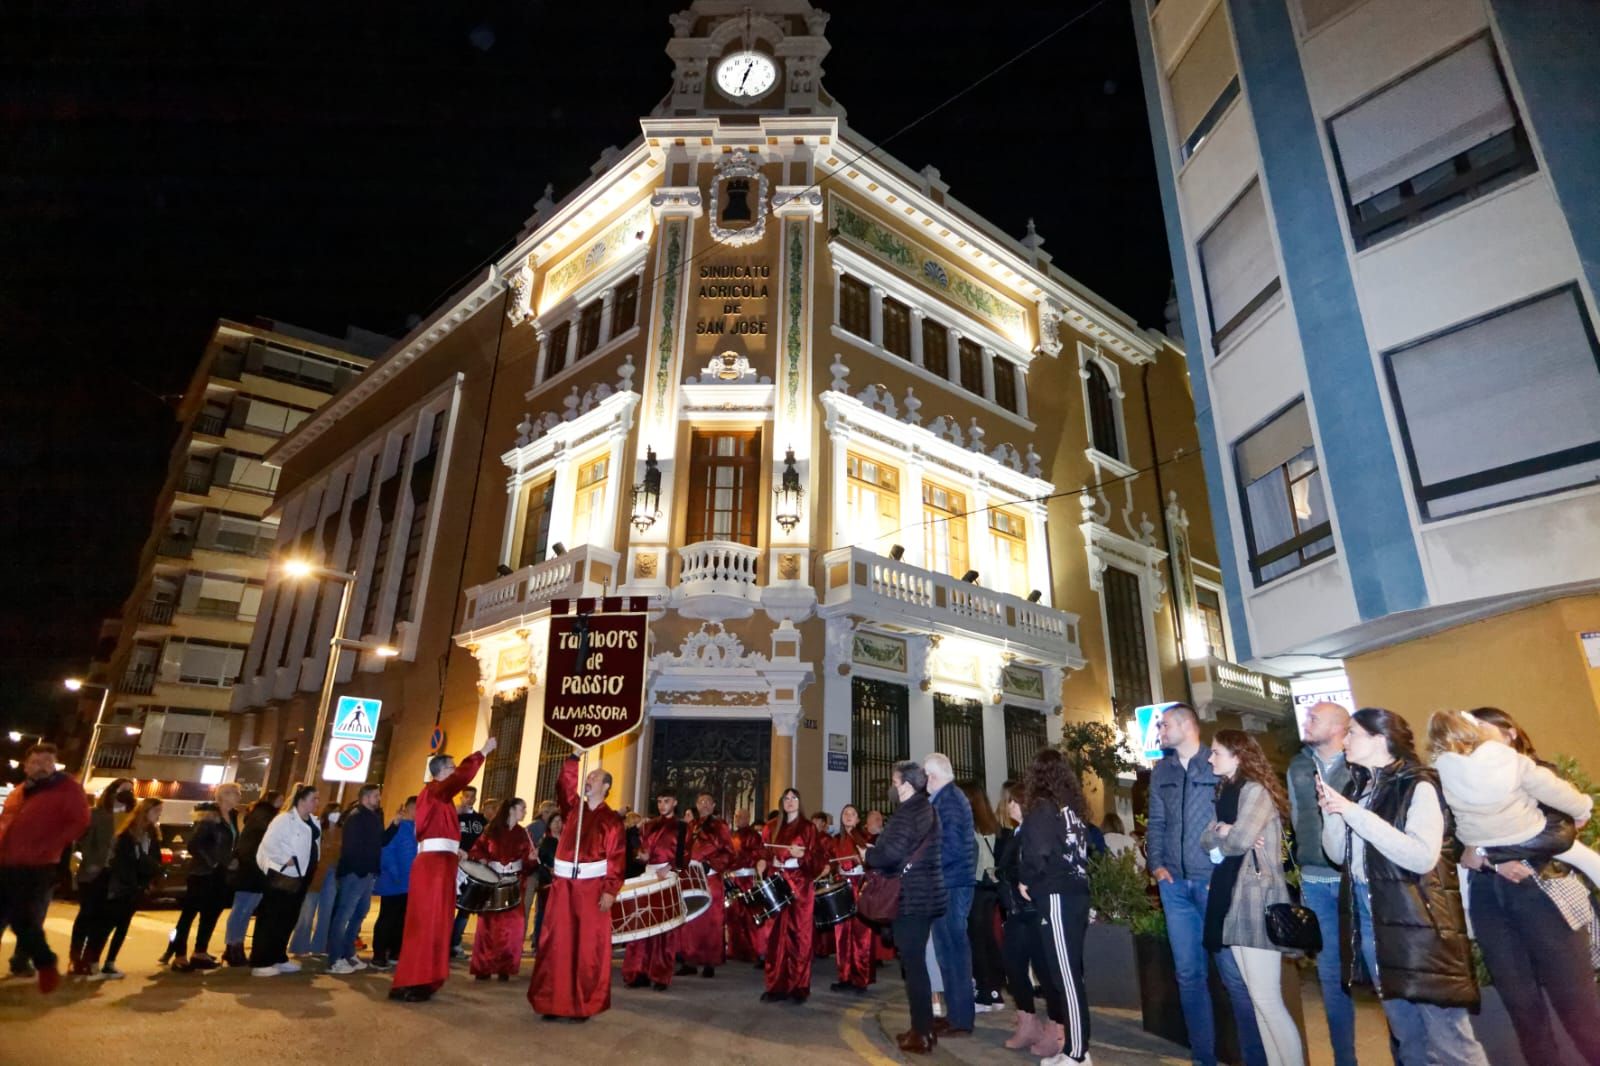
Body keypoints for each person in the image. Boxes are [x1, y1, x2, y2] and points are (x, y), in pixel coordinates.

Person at [1318, 707, 1487, 1065]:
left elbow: (1421, 856)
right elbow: (1337, 855)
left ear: (1380, 739)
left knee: (1449, 1039)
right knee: (1406, 1035)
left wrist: (1352, 813)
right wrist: (1332, 813)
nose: (1344, 740)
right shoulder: (1358, 786)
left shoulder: (1418, 784)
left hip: (1417, 918)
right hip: (1372, 914)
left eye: (1353, 733)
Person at [1455, 706, 1600, 1064]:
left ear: (1510, 735)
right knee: (1524, 1012)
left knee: (1578, 1009)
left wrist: (1491, 852)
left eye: (1484, 731)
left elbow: (1560, 833)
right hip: (1489, 900)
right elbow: (1451, 842)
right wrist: (1485, 857)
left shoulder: (1540, 773)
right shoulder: (1460, 783)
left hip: (1544, 897)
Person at [1146, 703, 1266, 1066]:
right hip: (1175, 887)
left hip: (1215, 885)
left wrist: (1226, 872)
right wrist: (1156, 865)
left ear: (1185, 725)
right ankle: (1204, 1058)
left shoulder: (1216, 763)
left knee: (1235, 978)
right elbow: (1156, 821)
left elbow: (1237, 817)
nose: (1160, 732)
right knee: (1188, 975)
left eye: (1164, 725)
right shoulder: (1161, 772)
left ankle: (1256, 1059)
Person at [1200, 731, 1304, 1066]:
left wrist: (1228, 833)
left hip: (1256, 897)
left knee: (1267, 999)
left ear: (1238, 755)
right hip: (1233, 897)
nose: (1209, 758)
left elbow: (1240, 840)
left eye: (1216, 752)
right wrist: (1225, 832)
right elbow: (1206, 840)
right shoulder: (1226, 790)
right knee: (1259, 1001)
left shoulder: (1255, 791)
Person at [1429, 708, 1600, 883]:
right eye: (1478, 725)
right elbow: (1555, 791)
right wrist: (1582, 809)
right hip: (1525, 834)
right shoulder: (1513, 761)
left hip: (1479, 840)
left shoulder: (1441, 775)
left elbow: (1449, 821)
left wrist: (1478, 850)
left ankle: (1485, 852)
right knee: (1574, 846)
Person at [390, 740, 492, 1002]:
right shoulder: (436, 790)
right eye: (451, 766)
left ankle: (427, 977)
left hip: (442, 861)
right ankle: (414, 979)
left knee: (438, 922)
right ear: (440, 772)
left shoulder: (440, 797)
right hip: (434, 865)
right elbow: (460, 778)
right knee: (427, 922)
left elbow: (439, 830)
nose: (455, 769)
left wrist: (454, 848)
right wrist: (481, 754)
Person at [528, 755, 626, 1022]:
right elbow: (564, 785)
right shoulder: (573, 810)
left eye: (595, 777)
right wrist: (573, 758)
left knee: (586, 946)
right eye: (588, 775)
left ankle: (582, 1003)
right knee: (556, 941)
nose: (589, 778)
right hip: (563, 886)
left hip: (592, 889)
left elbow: (617, 858)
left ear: (606, 786)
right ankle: (551, 1000)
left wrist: (610, 890)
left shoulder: (612, 821)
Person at [1284, 701, 1354, 1066]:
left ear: (1339, 727)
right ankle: (1345, 1060)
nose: (1306, 721)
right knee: (1330, 975)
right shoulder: (1298, 766)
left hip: (1354, 881)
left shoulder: (1359, 763)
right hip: (1314, 879)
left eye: (1315, 717)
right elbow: (1297, 815)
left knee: (1376, 971)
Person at [1019, 749, 1096, 1066]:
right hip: (1076, 893)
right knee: (1068, 973)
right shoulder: (1072, 810)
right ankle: (1075, 1049)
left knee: (1064, 976)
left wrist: (1025, 879)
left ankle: (1077, 1054)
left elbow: (1039, 852)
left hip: (1056, 894)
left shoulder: (1042, 808)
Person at [863, 760, 944, 1055]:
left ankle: (921, 1034)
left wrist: (871, 855)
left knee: (914, 968)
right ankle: (922, 1029)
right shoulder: (928, 810)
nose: (892, 788)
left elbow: (891, 854)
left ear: (908, 786)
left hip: (910, 898)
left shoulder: (907, 813)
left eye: (895, 783)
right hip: (925, 895)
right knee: (916, 965)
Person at [0, 742, 90, 993]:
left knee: (23, 919)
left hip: (36, 866)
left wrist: (49, 845)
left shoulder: (67, 789)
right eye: (36, 762)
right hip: (6, 862)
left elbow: (80, 822)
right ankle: (42, 961)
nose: (42, 767)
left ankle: (45, 963)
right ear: (26, 766)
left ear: (55, 765)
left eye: (48, 762)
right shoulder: (19, 791)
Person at [998, 779, 1067, 1056]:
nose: (1009, 807)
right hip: (1016, 911)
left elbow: (1036, 865)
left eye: (1012, 801)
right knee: (1014, 967)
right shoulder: (1016, 833)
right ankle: (1028, 1021)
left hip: (1034, 910)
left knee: (1045, 971)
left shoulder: (1033, 832)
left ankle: (1057, 1027)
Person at [754, 787, 826, 1003]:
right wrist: (764, 863)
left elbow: (817, 860)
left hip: (800, 887)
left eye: (794, 797)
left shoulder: (808, 828)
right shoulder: (771, 827)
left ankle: (799, 987)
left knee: (799, 938)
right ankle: (775, 985)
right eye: (786, 798)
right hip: (777, 884)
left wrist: (802, 856)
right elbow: (763, 852)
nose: (790, 801)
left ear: (800, 801)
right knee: (775, 936)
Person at [923, 753, 976, 1038]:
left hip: (952, 885)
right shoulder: (948, 799)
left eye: (925, 776)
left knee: (955, 951)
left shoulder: (950, 801)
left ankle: (962, 1019)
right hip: (948, 884)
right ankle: (955, 1015)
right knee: (946, 951)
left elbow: (952, 848)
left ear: (933, 776)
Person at [169, 783, 242, 971]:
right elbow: (194, 845)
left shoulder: (232, 817)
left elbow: (230, 845)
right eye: (235, 793)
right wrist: (214, 862)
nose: (239, 797)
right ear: (224, 796)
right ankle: (179, 954)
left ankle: (200, 951)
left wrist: (230, 862)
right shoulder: (209, 817)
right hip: (203, 873)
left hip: (221, 874)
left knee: (211, 913)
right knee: (189, 915)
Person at [251, 785, 321, 977]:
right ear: (302, 800)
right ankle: (261, 961)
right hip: (283, 876)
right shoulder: (284, 820)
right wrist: (285, 859)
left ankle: (278, 956)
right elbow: (268, 844)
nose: (317, 802)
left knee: (288, 918)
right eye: (314, 798)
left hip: (302, 876)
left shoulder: (313, 821)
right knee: (272, 917)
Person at [622, 789, 687, 990]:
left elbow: (685, 853)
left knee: (663, 929)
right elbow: (642, 851)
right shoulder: (648, 825)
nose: (662, 805)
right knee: (642, 924)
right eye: (659, 801)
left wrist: (670, 867)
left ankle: (660, 975)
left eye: (666, 801)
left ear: (674, 802)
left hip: (667, 875)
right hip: (649, 874)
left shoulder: (683, 826)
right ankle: (638, 972)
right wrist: (641, 856)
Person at [69, 778, 132, 977]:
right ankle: (75, 958)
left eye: (130, 790)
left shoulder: (130, 818)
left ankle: (91, 958)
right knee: (87, 915)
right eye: (123, 789)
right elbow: (81, 841)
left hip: (116, 875)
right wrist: (91, 859)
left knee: (104, 919)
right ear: (111, 792)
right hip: (94, 871)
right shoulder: (96, 814)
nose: (127, 793)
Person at [468, 796, 533, 981]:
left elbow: (528, 863)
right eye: (523, 808)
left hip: (515, 883)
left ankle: (505, 966)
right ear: (511, 809)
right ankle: (484, 966)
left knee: (513, 926)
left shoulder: (524, 833)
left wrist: (532, 859)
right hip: (492, 882)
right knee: (488, 925)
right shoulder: (491, 830)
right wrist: (482, 858)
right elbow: (477, 848)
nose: (525, 812)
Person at [222, 790, 282, 967]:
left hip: (253, 871)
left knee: (244, 911)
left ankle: (235, 945)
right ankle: (233, 946)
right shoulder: (264, 816)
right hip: (252, 871)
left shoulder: (258, 815)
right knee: (242, 910)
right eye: (279, 799)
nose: (281, 802)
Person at [327, 783, 383, 973]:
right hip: (355, 874)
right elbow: (351, 848)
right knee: (344, 915)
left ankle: (348, 952)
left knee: (359, 914)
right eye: (376, 796)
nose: (378, 799)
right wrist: (360, 870)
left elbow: (378, 843)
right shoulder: (356, 817)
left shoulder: (372, 817)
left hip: (366, 874)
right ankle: (335, 958)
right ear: (365, 798)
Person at [960, 781, 1005, 1013]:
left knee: (977, 940)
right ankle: (995, 991)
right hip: (992, 889)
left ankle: (983, 994)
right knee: (988, 939)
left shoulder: (969, 827)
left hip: (976, 887)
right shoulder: (992, 826)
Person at [679, 792, 733, 978]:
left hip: (710, 877)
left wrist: (711, 864)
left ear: (713, 805)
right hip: (691, 876)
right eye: (700, 801)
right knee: (690, 919)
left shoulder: (720, 826)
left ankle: (710, 962)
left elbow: (728, 851)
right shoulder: (690, 826)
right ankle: (689, 960)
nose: (704, 805)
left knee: (712, 920)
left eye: (707, 802)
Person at [824, 803, 874, 993]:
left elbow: (874, 862)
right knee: (842, 934)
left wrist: (861, 859)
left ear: (858, 818)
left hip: (860, 886)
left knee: (861, 934)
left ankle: (861, 979)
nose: (848, 816)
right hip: (841, 887)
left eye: (852, 813)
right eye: (845, 813)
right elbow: (828, 860)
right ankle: (844, 976)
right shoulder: (835, 840)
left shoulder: (866, 838)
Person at [370, 795, 417, 970]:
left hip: (409, 883)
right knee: (387, 918)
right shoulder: (398, 826)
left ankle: (395, 951)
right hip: (394, 882)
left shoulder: (416, 829)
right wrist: (396, 875)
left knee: (401, 919)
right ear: (409, 809)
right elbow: (387, 852)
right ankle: (379, 954)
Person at [289, 805, 342, 958]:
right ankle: (300, 946)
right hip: (316, 874)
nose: (336, 815)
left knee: (326, 912)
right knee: (307, 912)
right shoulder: (318, 828)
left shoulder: (341, 831)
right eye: (333, 811)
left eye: (338, 812)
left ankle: (319, 946)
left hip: (332, 873)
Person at [450, 785, 489, 959]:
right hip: (454, 865)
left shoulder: (481, 820)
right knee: (449, 904)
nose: (470, 799)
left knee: (466, 906)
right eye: (466, 796)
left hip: (473, 867)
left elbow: (484, 842)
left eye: (473, 796)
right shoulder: (452, 817)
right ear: (460, 797)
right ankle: (444, 941)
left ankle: (455, 942)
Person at [531, 811, 560, 953]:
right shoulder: (546, 841)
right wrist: (549, 871)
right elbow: (540, 862)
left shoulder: (566, 841)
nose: (558, 825)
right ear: (549, 824)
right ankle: (538, 942)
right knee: (542, 913)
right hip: (547, 881)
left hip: (561, 882)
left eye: (560, 822)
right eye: (555, 822)